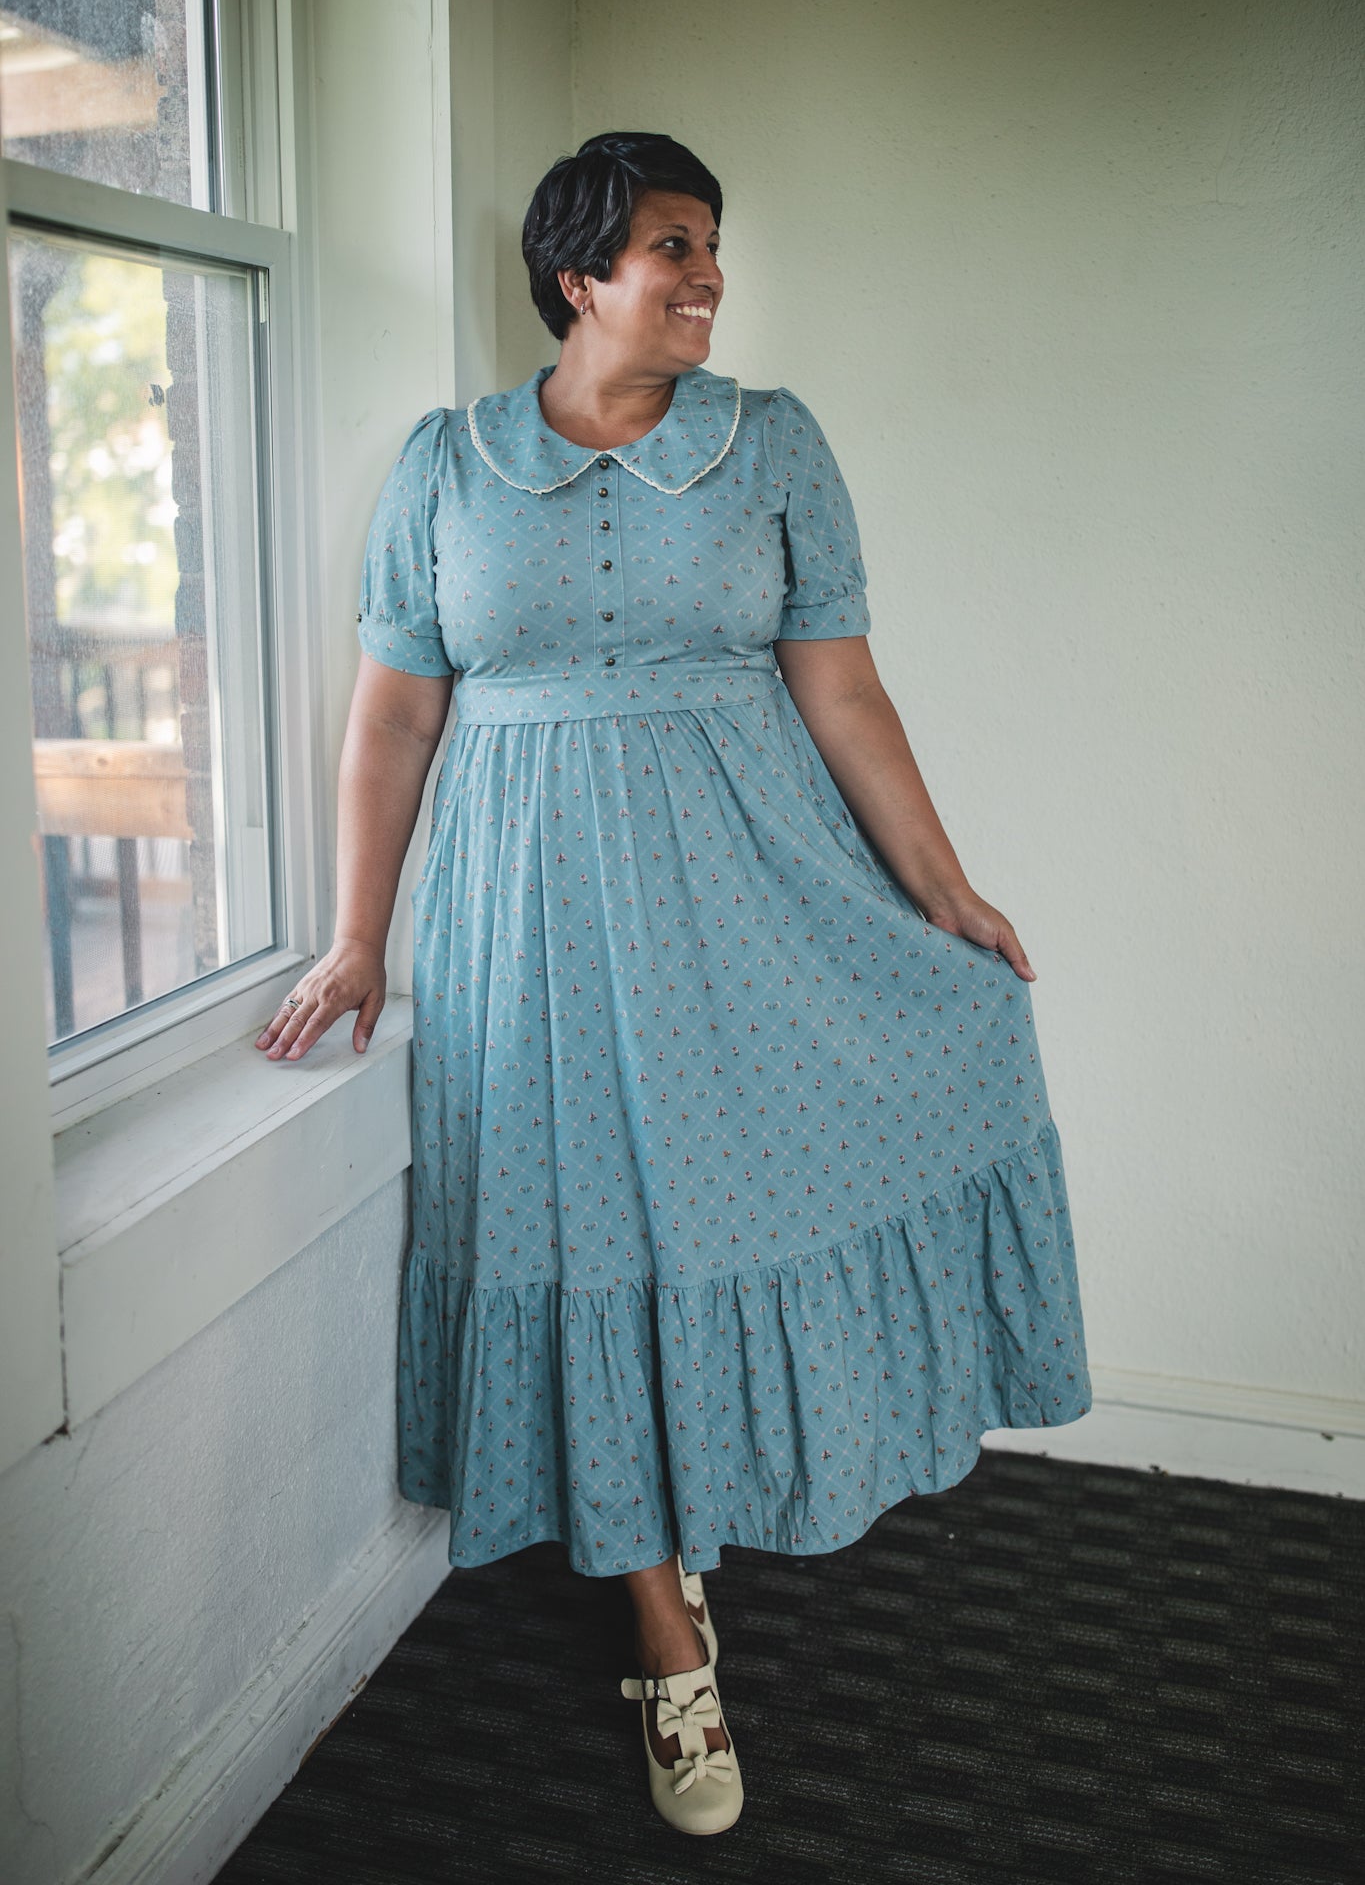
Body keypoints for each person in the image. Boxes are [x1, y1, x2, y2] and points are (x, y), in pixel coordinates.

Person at [256, 132, 1091, 1837]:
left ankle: (716, 1512)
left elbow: (841, 691)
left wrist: (941, 888)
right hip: (525, 918)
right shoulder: (443, 465)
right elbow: (395, 715)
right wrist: (356, 936)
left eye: (710, 246)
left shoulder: (769, 441)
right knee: (576, 1232)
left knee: (715, 1213)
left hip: (745, 889)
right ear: (581, 277)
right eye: (673, 247)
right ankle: (663, 1632)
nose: (707, 277)